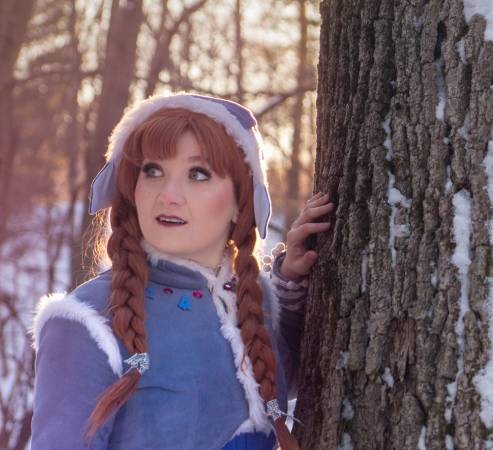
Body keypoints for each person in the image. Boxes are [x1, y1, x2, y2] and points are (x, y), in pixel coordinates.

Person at [29, 93, 333, 449]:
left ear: (241, 202)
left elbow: (297, 377)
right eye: (153, 170)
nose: (169, 195)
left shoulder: (253, 299)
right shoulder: (88, 322)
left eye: (198, 174)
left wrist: (292, 281)